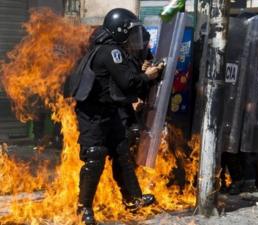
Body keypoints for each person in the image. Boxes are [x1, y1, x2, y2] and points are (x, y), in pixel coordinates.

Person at [68, 8, 162, 225]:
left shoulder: (110, 49)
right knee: (95, 156)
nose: (133, 40)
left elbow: (126, 78)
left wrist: (144, 72)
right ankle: (84, 210)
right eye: (129, 33)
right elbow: (129, 82)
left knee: (121, 154)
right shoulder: (110, 51)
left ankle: (133, 199)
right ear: (119, 31)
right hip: (92, 114)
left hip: (108, 111)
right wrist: (148, 76)